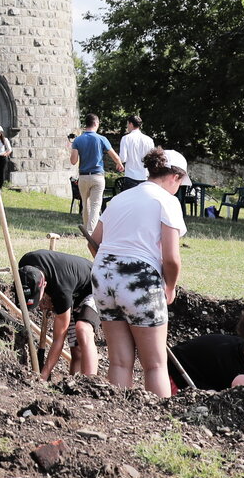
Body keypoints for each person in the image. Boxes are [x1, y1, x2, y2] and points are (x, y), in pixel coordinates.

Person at [87, 147, 188, 396]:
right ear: (175, 176)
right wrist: (170, 287)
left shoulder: (121, 198)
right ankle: (160, 417)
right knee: (155, 364)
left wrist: (113, 270)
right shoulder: (167, 201)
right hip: (139, 278)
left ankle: (117, 413)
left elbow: (94, 241)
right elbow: (171, 258)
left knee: (119, 361)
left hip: (103, 275)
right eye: (180, 183)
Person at [18, 248, 101, 381]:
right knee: (76, 351)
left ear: (44, 284)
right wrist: (45, 297)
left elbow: (58, 340)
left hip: (96, 286)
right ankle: (73, 386)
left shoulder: (61, 290)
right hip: (73, 286)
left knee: (83, 330)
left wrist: (43, 376)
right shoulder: (24, 268)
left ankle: (89, 384)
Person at [68, 114, 123, 232]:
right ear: (96, 123)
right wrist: (119, 163)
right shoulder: (102, 139)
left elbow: (73, 161)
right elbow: (114, 156)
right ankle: (91, 231)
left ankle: (86, 230)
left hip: (83, 176)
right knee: (95, 205)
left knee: (85, 204)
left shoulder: (78, 140)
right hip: (97, 176)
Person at [116, 115, 154, 195]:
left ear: (131, 124)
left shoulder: (126, 138)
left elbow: (123, 158)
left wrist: (119, 163)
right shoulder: (149, 140)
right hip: (144, 175)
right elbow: (152, 158)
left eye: (128, 124)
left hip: (130, 175)